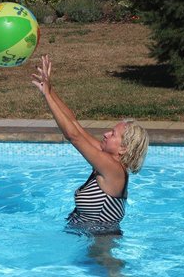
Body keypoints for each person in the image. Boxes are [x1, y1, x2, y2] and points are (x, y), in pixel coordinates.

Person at [31, 54, 149, 234]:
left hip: (100, 246)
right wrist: (49, 89)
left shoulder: (114, 170)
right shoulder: (105, 159)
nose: (106, 134)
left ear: (123, 148)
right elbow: (74, 124)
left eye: (113, 134)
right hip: (85, 237)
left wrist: (47, 95)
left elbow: (73, 136)